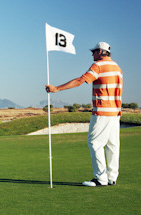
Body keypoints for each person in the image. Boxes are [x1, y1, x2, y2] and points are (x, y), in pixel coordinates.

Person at [45, 42, 123, 187]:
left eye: (94, 51)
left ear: (100, 51)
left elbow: (81, 80)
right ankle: (112, 177)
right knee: (112, 145)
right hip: (115, 112)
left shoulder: (98, 66)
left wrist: (56, 89)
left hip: (102, 111)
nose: (92, 54)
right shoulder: (117, 67)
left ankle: (101, 178)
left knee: (94, 143)